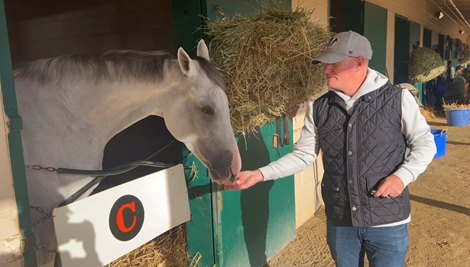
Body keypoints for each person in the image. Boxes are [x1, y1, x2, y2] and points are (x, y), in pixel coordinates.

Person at [225, 31, 437, 267]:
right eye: (325, 64)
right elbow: (304, 155)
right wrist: (259, 174)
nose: (326, 70)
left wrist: (401, 177)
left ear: (359, 62)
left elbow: (425, 144)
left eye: (333, 63)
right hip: (341, 220)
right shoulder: (320, 106)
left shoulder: (397, 98)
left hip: (386, 221)